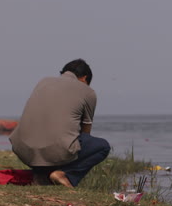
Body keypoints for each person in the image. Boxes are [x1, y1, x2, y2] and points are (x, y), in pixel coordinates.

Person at [9, 59, 110, 188]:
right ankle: (66, 175)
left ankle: (42, 175)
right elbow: (86, 132)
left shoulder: (43, 82)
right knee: (102, 146)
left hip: (23, 150)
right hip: (53, 152)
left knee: (53, 140)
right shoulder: (88, 92)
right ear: (84, 78)